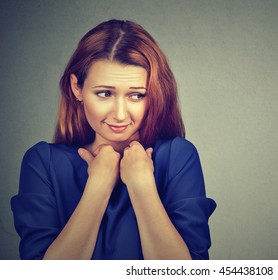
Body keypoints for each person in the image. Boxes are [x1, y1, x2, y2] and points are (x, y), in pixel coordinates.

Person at [10, 19, 216, 260]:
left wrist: (142, 186)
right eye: (105, 93)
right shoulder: (42, 162)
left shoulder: (178, 156)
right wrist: (98, 185)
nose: (120, 114)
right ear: (77, 88)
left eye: (136, 95)